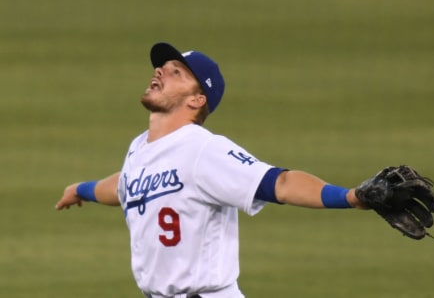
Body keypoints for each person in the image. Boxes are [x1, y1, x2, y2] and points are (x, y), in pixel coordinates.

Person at [55, 42, 368, 298]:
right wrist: (81, 189)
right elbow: (125, 185)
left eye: (176, 72)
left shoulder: (202, 149)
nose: (160, 71)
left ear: (197, 99)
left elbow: (279, 183)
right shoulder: (139, 148)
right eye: (162, 68)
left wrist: (351, 197)